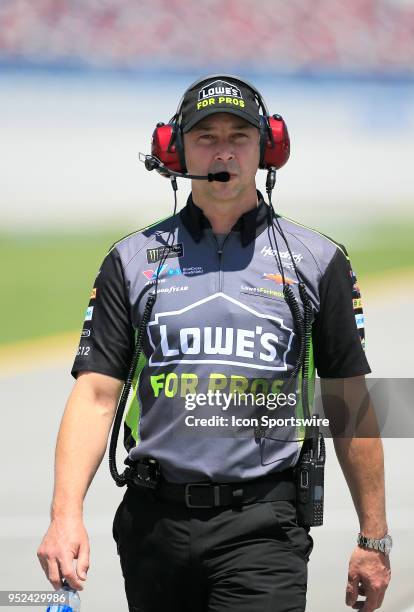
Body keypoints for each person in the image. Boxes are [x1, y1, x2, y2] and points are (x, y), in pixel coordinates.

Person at [37, 74, 391, 612]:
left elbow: (348, 404)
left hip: (264, 527)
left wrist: (374, 538)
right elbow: (95, 395)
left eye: (238, 136)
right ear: (175, 151)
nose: (223, 150)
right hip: (152, 523)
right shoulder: (130, 261)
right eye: (205, 136)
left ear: (267, 149)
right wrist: (65, 516)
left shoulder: (319, 262)